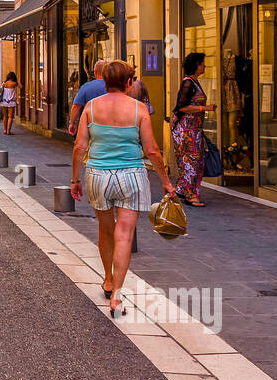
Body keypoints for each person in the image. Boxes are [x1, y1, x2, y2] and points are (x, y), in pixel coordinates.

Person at [71, 60, 178, 317]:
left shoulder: (91, 107)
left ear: (105, 81)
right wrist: (165, 181)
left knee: (106, 230)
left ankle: (107, 279)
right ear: (129, 82)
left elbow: (78, 147)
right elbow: (152, 150)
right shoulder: (139, 109)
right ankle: (117, 296)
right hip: (131, 176)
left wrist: (75, 179)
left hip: (98, 176)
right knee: (124, 236)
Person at [171, 52, 217, 206]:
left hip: (193, 129)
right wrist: (205, 108)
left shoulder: (194, 82)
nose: (205, 66)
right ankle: (190, 195)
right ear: (197, 65)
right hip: (187, 130)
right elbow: (181, 107)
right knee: (192, 161)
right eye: (203, 63)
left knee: (194, 161)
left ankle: (183, 190)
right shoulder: (188, 83)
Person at [67, 59, 108, 135]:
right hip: (110, 126)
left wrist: (72, 123)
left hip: (91, 126)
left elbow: (76, 107)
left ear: (95, 72)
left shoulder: (86, 87)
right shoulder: (113, 87)